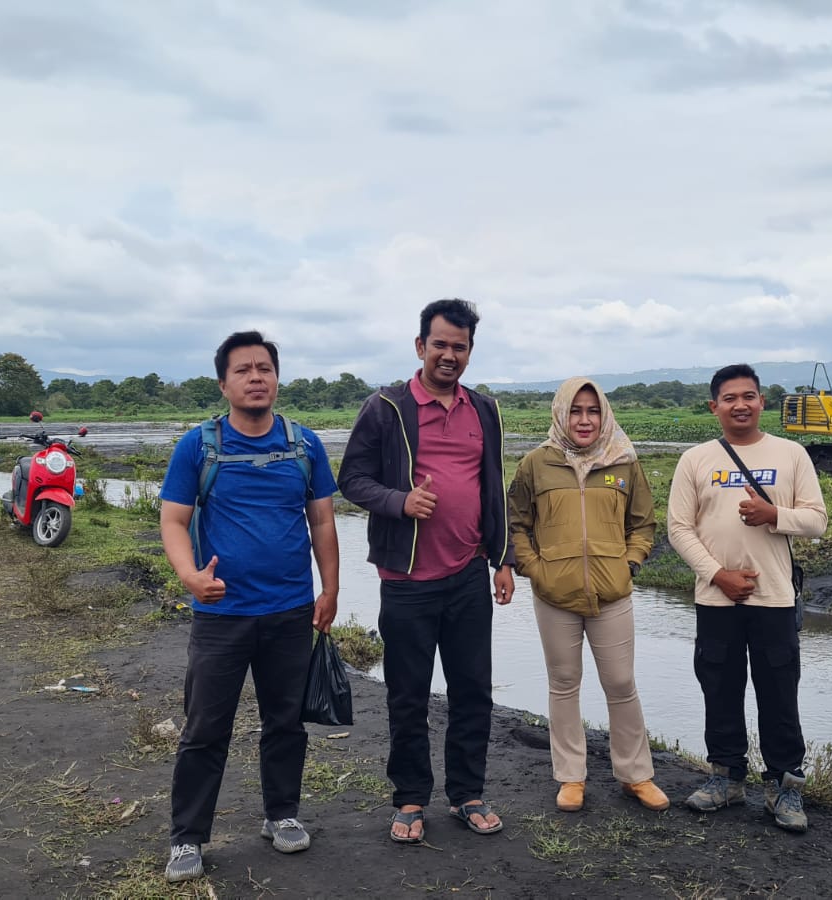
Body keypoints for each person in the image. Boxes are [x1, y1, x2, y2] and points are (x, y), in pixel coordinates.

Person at [156, 331, 340, 883]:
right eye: (243, 370)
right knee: (205, 728)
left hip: (288, 612)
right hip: (220, 617)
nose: (256, 377)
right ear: (224, 383)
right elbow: (173, 520)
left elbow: (324, 521)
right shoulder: (199, 445)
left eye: (265, 368)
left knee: (286, 723)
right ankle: (187, 837)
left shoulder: (304, 444)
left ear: (277, 378)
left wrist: (329, 590)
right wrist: (190, 576)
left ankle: (281, 815)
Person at [338, 298, 515, 844]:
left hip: (467, 574)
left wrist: (502, 557)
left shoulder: (484, 409)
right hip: (407, 580)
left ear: (469, 352)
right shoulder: (386, 407)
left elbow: (492, 489)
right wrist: (398, 502)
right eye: (440, 344)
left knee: (473, 690)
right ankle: (411, 797)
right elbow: (352, 478)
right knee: (408, 694)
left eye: (459, 347)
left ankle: (467, 794)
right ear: (420, 346)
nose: (449, 354)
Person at [667, 364, 828, 834]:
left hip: (774, 597)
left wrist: (773, 514)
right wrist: (718, 575)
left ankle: (784, 786)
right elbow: (679, 528)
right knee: (718, 686)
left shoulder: (791, 454)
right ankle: (726, 778)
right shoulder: (695, 460)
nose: (741, 404)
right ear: (714, 406)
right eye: (730, 397)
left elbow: (817, 521)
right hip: (716, 598)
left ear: (762, 402)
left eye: (750, 396)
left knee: (779, 692)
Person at [508, 377, 667, 813]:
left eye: (592, 411)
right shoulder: (535, 464)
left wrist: (629, 564)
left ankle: (637, 775)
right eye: (575, 411)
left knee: (620, 683)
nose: (584, 420)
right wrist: (536, 570)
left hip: (612, 593)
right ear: (561, 413)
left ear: (604, 415)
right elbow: (517, 524)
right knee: (563, 684)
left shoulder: (624, 462)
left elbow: (643, 524)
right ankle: (571, 777)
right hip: (553, 595)